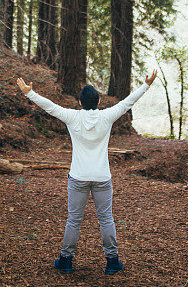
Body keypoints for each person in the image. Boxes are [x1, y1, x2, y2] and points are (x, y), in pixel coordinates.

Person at [16, 71, 157, 275]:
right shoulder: (106, 116)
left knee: (74, 220)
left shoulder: (73, 117)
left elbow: (50, 107)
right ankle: (112, 261)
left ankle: (66, 261)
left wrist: (29, 93)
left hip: (78, 177)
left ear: (80, 103)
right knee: (106, 219)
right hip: (102, 177)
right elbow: (127, 103)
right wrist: (146, 85)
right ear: (98, 101)